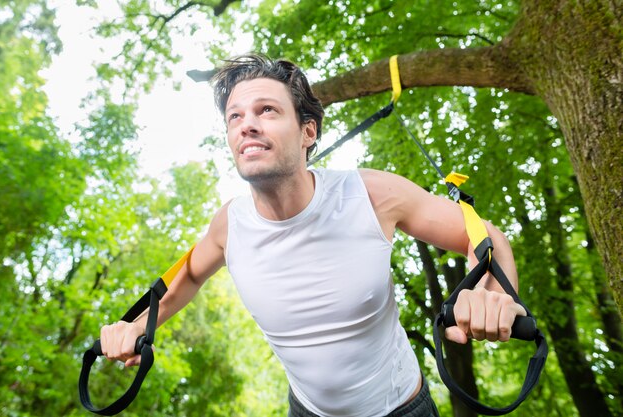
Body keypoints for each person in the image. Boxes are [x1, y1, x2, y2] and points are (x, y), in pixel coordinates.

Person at [100, 54, 526, 417]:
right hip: (306, 410)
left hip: (401, 408)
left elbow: (483, 235)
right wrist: (135, 325)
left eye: (267, 110)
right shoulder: (229, 225)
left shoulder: (372, 194)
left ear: (308, 132)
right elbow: (189, 275)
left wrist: (490, 292)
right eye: (235, 116)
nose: (247, 124)